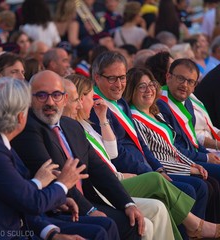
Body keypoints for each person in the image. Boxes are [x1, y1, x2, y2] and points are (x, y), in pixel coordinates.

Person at [64, 73, 220, 240]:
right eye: (89, 96)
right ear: (79, 100)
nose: (92, 99)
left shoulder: (88, 125)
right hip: (108, 185)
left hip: (116, 177)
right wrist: (121, 175)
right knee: (158, 180)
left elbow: (112, 152)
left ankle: (193, 228)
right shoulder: (73, 129)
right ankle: (194, 225)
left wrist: (103, 119)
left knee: (161, 206)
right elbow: (91, 171)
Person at [0, 77, 120, 240]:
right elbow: (30, 202)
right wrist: (63, 184)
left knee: (103, 228)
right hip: (3, 234)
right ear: (20, 116)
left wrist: (51, 232)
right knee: (99, 232)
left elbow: (18, 194)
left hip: (20, 227)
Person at [11, 70, 144, 240]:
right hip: (59, 208)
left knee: (132, 221)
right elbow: (55, 176)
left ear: (65, 99)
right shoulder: (29, 128)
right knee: (106, 225)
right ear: (29, 99)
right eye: (42, 96)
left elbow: (99, 169)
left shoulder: (72, 125)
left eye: (56, 95)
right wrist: (90, 211)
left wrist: (127, 203)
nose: (50, 102)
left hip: (85, 199)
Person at [90, 51, 208, 222]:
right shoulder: (97, 107)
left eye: (122, 77)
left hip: (147, 169)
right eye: (112, 78)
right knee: (190, 189)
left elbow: (141, 143)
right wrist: (150, 172)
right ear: (97, 77)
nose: (119, 84)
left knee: (199, 186)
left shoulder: (121, 102)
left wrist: (158, 169)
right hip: (128, 173)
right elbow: (118, 152)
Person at [124, 67, 220, 223]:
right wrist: (188, 168)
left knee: (210, 183)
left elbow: (172, 148)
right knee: (200, 186)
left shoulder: (156, 113)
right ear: (132, 90)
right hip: (165, 169)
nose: (148, 90)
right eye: (142, 86)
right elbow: (154, 157)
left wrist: (194, 164)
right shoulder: (135, 119)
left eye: (151, 85)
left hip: (180, 162)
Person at [157, 58, 220, 186]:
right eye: (181, 78)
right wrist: (206, 157)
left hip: (193, 155)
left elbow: (192, 140)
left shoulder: (188, 102)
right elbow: (173, 147)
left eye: (190, 81)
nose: (185, 85)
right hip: (177, 161)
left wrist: (207, 154)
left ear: (195, 85)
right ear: (168, 77)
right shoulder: (160, 104)